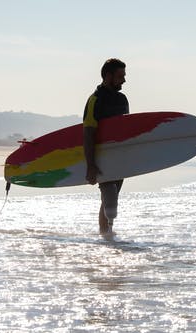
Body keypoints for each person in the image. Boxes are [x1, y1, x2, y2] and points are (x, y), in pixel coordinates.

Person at [83, 58, 129, 235]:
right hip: (102, 157)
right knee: (110, 203)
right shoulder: (95, 99)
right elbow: (88, 133)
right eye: (120, 76)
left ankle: (106, 237)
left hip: (119, 157)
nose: (124, 80)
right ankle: (106, 237)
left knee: (111, 201)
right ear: (108, 76)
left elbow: (126, 131)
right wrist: (91, 164)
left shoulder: (122, 99)